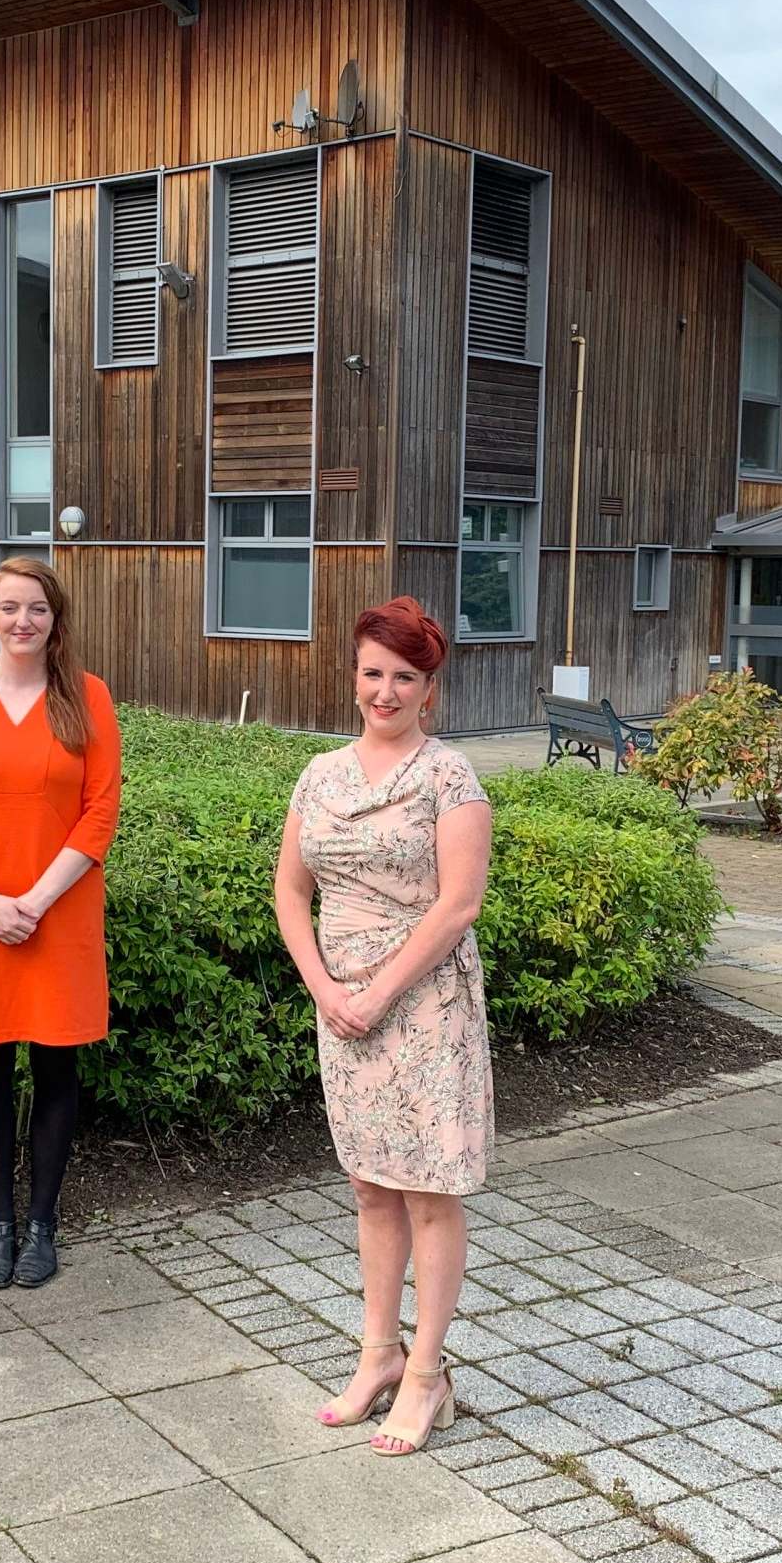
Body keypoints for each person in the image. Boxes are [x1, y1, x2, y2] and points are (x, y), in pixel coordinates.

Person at [275, 597, 493, 1457]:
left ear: (427, 689)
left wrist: (378, 991)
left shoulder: (449, 778)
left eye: (404, 678)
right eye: (373, 673)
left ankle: (429, 1373)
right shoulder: (319, 776)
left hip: (425, 1004)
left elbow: (457, 905)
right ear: (354, 675)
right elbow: (291, 890)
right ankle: (377, 1355)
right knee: (370, 1184)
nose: (386, 692)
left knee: (428, 1190)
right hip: (342, 1003)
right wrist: (325, 986)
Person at [0, 557, 121, 1289]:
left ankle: (42, 1224)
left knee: (56, 1062)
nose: (22, 622)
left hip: (59, 912)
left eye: (35, 609)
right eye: (9, 608)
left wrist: (35, 900)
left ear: (54, 617)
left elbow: (100, 812)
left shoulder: (87, 698)